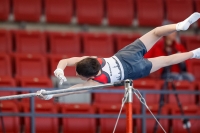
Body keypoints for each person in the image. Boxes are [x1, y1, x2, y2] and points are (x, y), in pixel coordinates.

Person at [37, 12, 200, 100]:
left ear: (90, 77)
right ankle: (179, 26)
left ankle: (195, 53)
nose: (78, 76)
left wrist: (52, 94)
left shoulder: (95, 82)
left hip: (132, 70)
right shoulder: (93, 59)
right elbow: (66, 61)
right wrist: (59, 69)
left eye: (79, 75)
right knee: (156, 32)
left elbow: (70, 91)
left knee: (166, 61)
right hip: (125, 56)